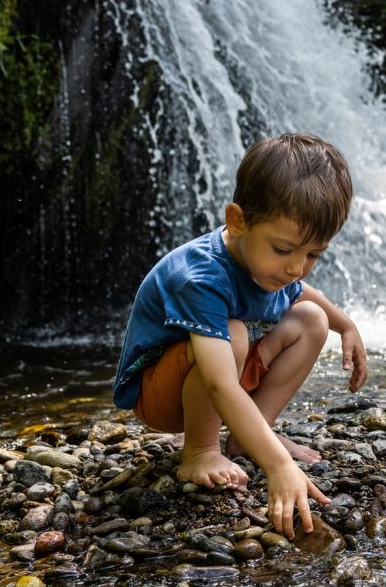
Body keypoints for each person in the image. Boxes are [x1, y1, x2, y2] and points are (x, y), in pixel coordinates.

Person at [113, 133, 367, 539]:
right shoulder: (200, 277)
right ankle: (199, 451)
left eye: (314, 254)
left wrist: (346, 325)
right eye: (285, 250)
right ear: (237, 221)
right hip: (162, 393)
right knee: (232, 333)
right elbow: (218, 381)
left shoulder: (267, 260)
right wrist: (279, 467)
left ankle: (251, 436)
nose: (297, 267)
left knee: (312, 320)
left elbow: (299, 292)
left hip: (220, 375)